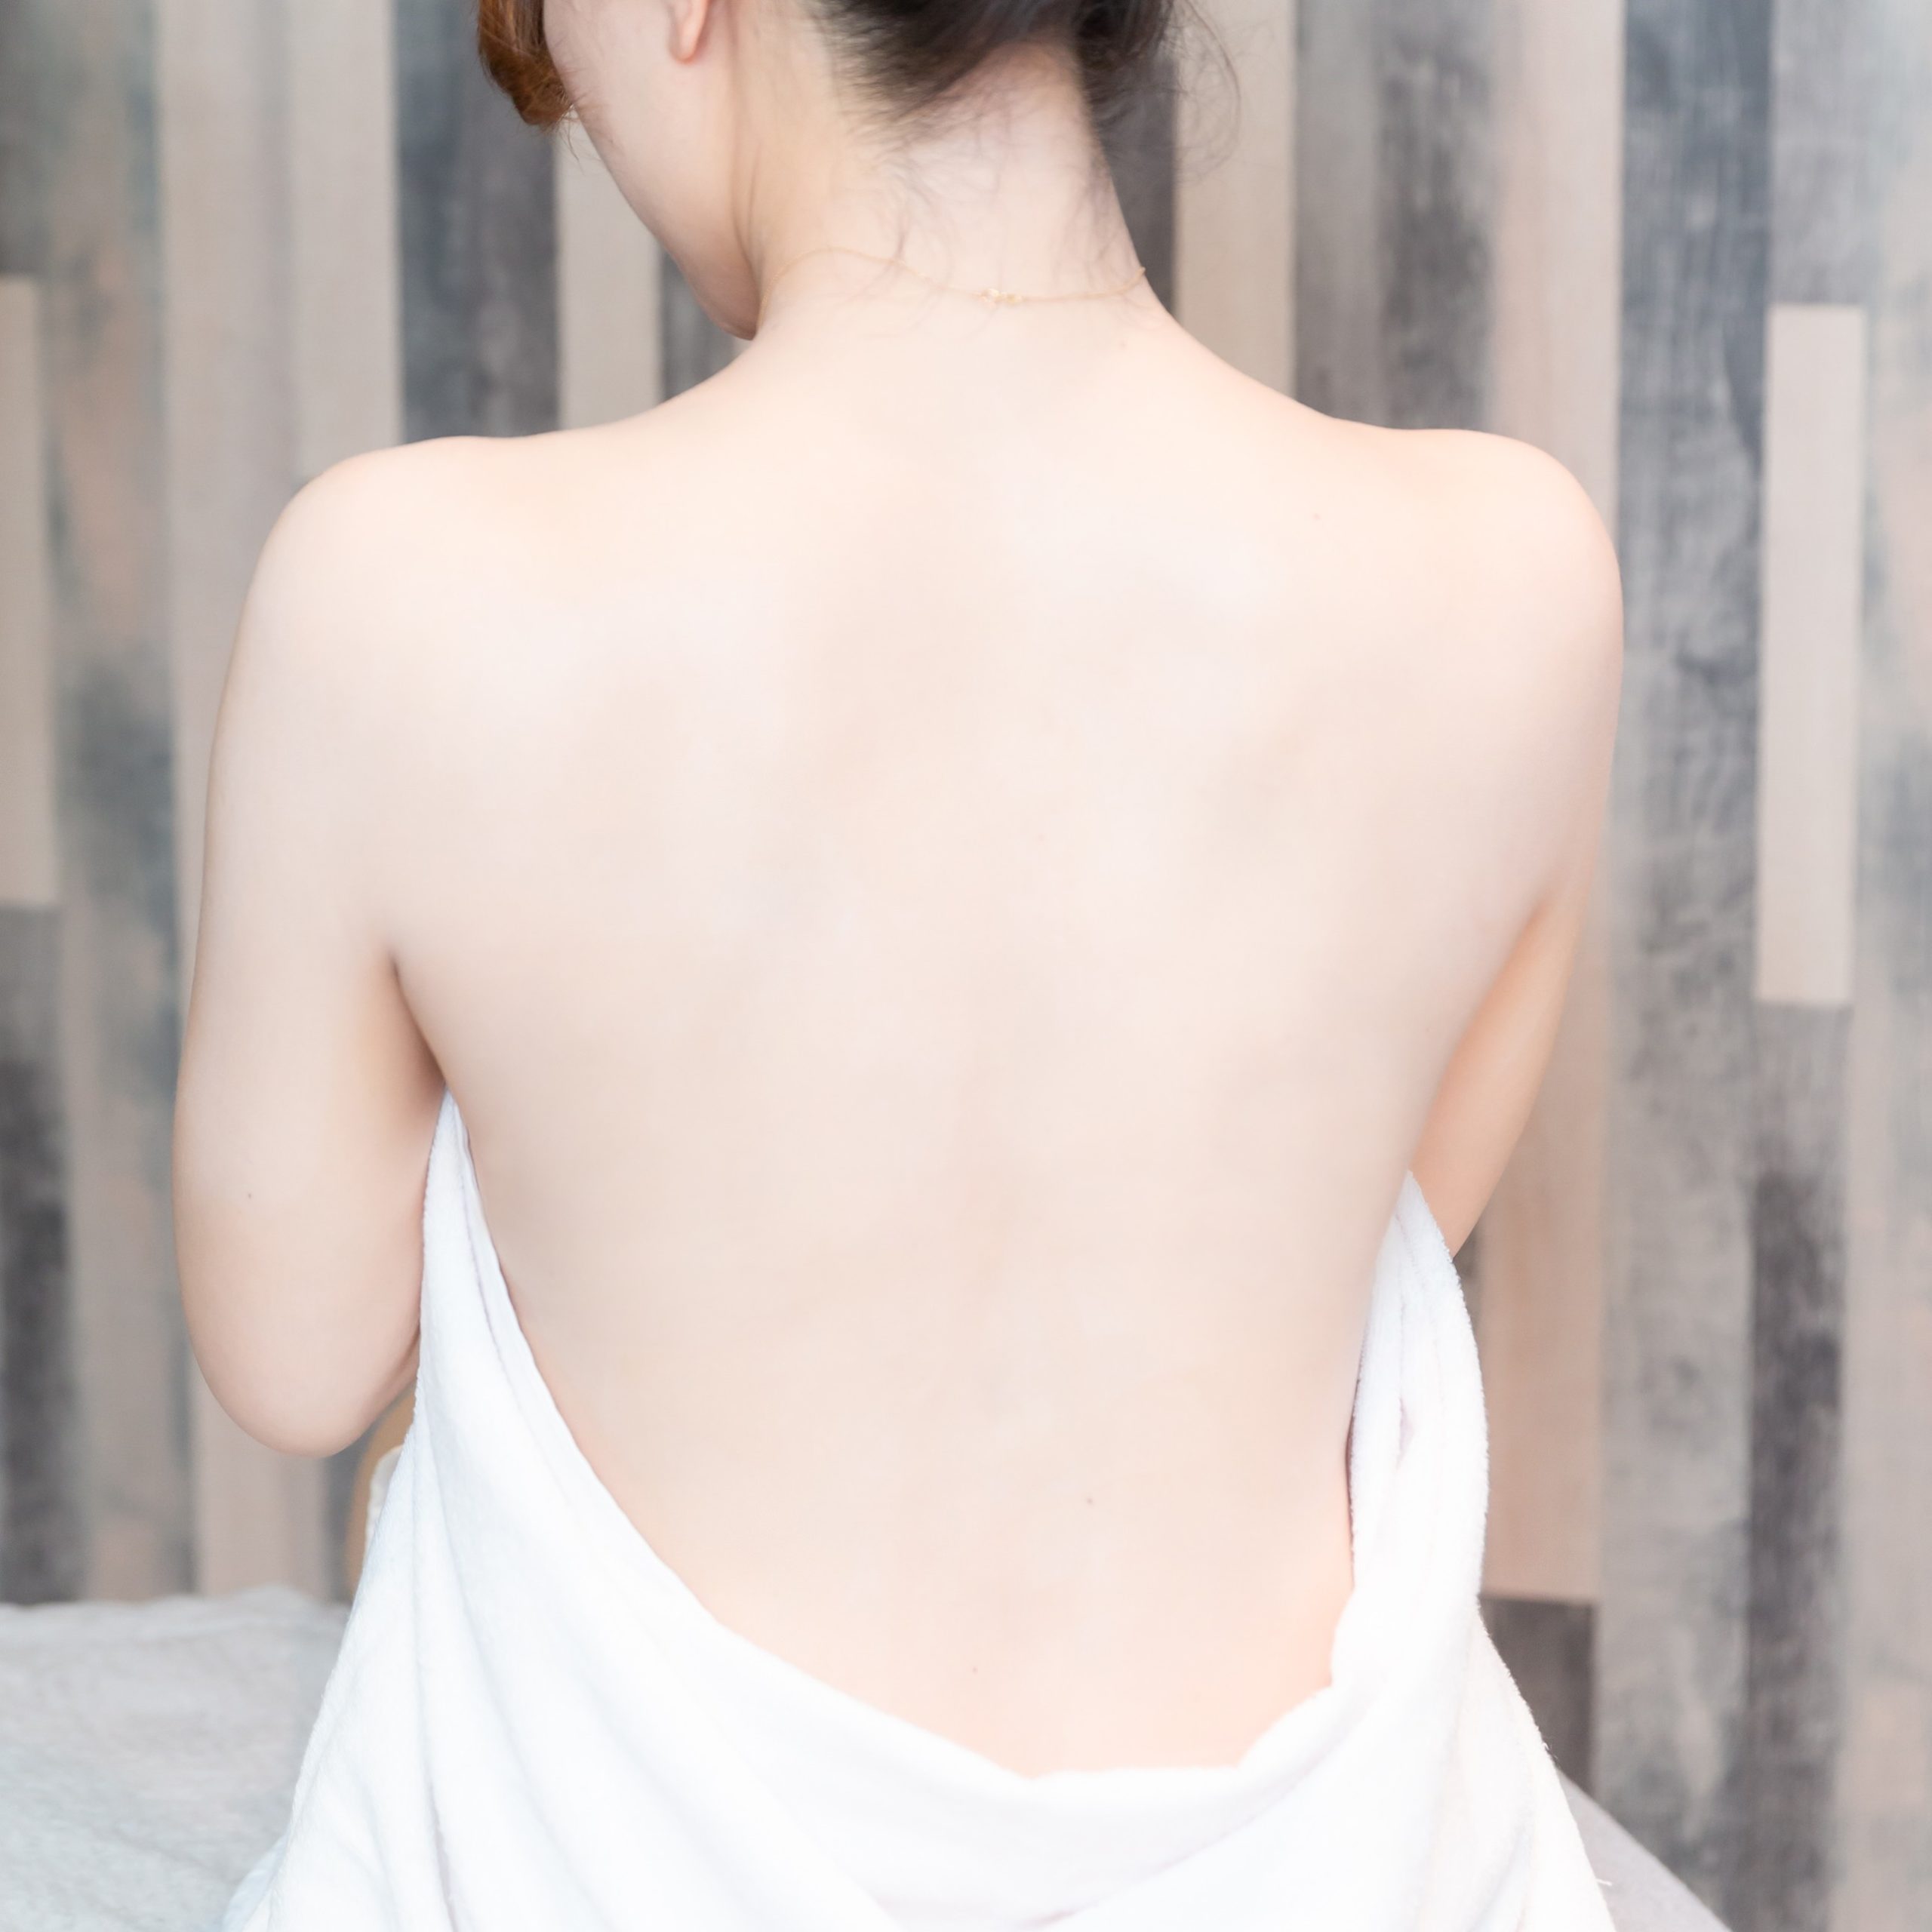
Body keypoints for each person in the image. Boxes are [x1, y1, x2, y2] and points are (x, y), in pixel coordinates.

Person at [174, 0, 1623, 1924]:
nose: (579, 113)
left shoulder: (397, 595)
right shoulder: (1514, 574)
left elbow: (297, 1353)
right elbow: (1366, 1225)